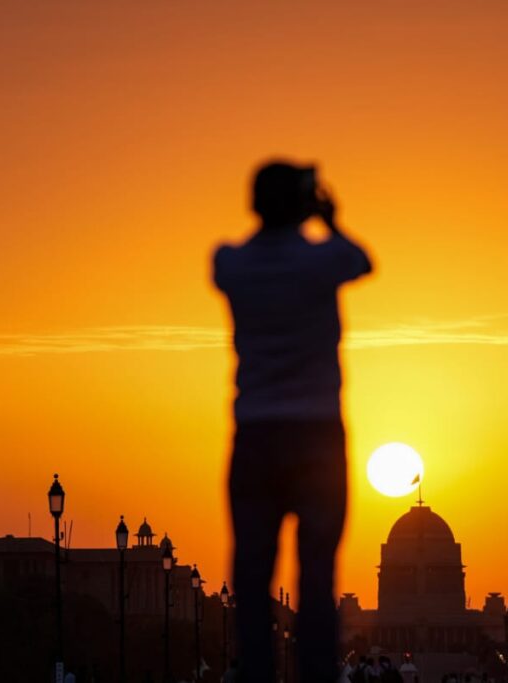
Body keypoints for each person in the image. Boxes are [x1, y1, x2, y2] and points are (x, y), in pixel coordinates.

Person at [213, 160, 373, 683]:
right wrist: (328, 216)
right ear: (304, 205)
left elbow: (229, 260)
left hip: (256, 433)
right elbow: (362, 260)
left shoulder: (229, 263)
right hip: (318, 434)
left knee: (253, 576)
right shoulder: (322, 261)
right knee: (317, 577)